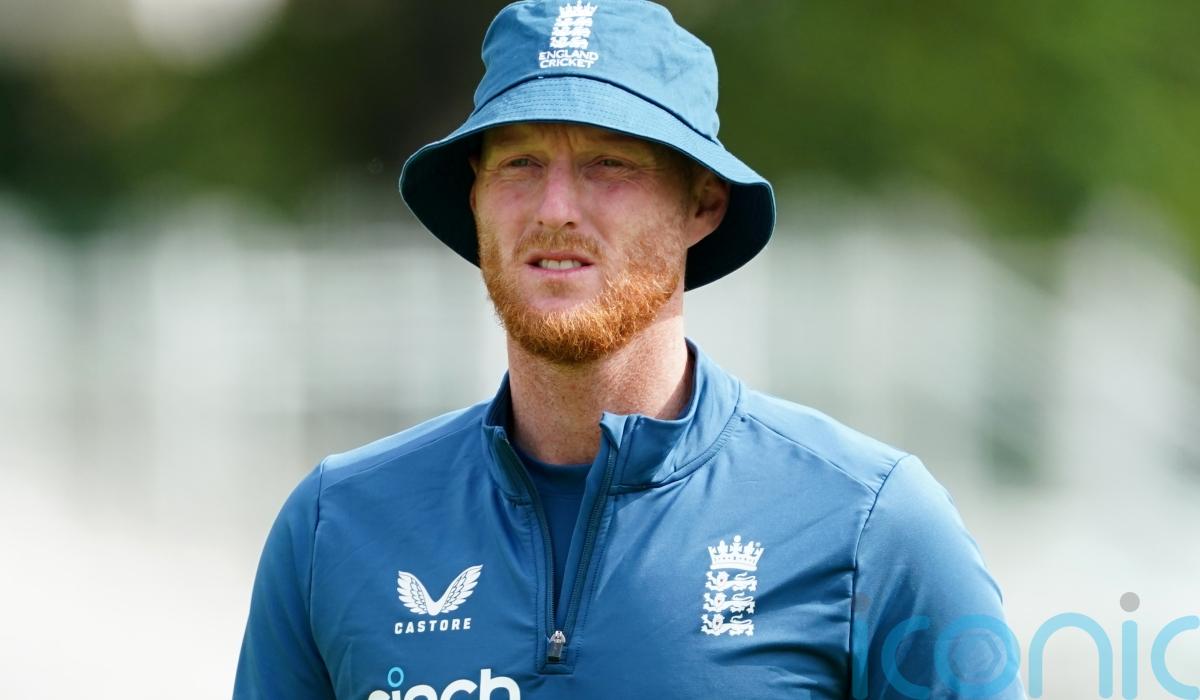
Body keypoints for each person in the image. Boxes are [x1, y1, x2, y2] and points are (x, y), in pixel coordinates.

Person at [235, 1, 1024, 698]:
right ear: (475, 196)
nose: (555, 209)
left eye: (608, 164)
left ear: (702, 204)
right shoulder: (335, 526)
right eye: (520, 163)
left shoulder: (871, 525)